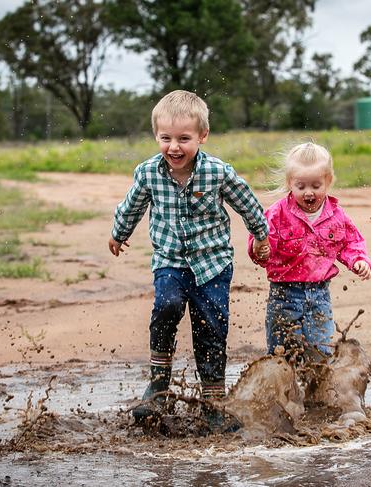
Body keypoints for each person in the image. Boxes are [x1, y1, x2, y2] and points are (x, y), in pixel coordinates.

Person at [108, 90, 270, 426]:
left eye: (184, 138)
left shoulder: (217, 172)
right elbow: (132, 205)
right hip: (170, 261)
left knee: (211, 324)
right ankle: (158, 387)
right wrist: (119, 233)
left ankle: (214, 402)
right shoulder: (149, 173)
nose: (174, 147)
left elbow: (247, 203)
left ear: (202, 136)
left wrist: (261, 234)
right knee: (166, 306)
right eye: (165, 138)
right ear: (157, 136)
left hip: (212, 264)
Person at [248, 142, 371, 363]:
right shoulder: (277, 214)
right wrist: (260, 249)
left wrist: (358, 260)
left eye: (316, 186)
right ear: (290, 183)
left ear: (328, 182)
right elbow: (260, 245)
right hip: (283, 295)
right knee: (281, 353)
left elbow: (351, 242)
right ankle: (283, 393)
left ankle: (316, 392)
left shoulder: (336, 216)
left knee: (319, 351)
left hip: (319, 295)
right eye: (301, 186)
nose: (308, 193)